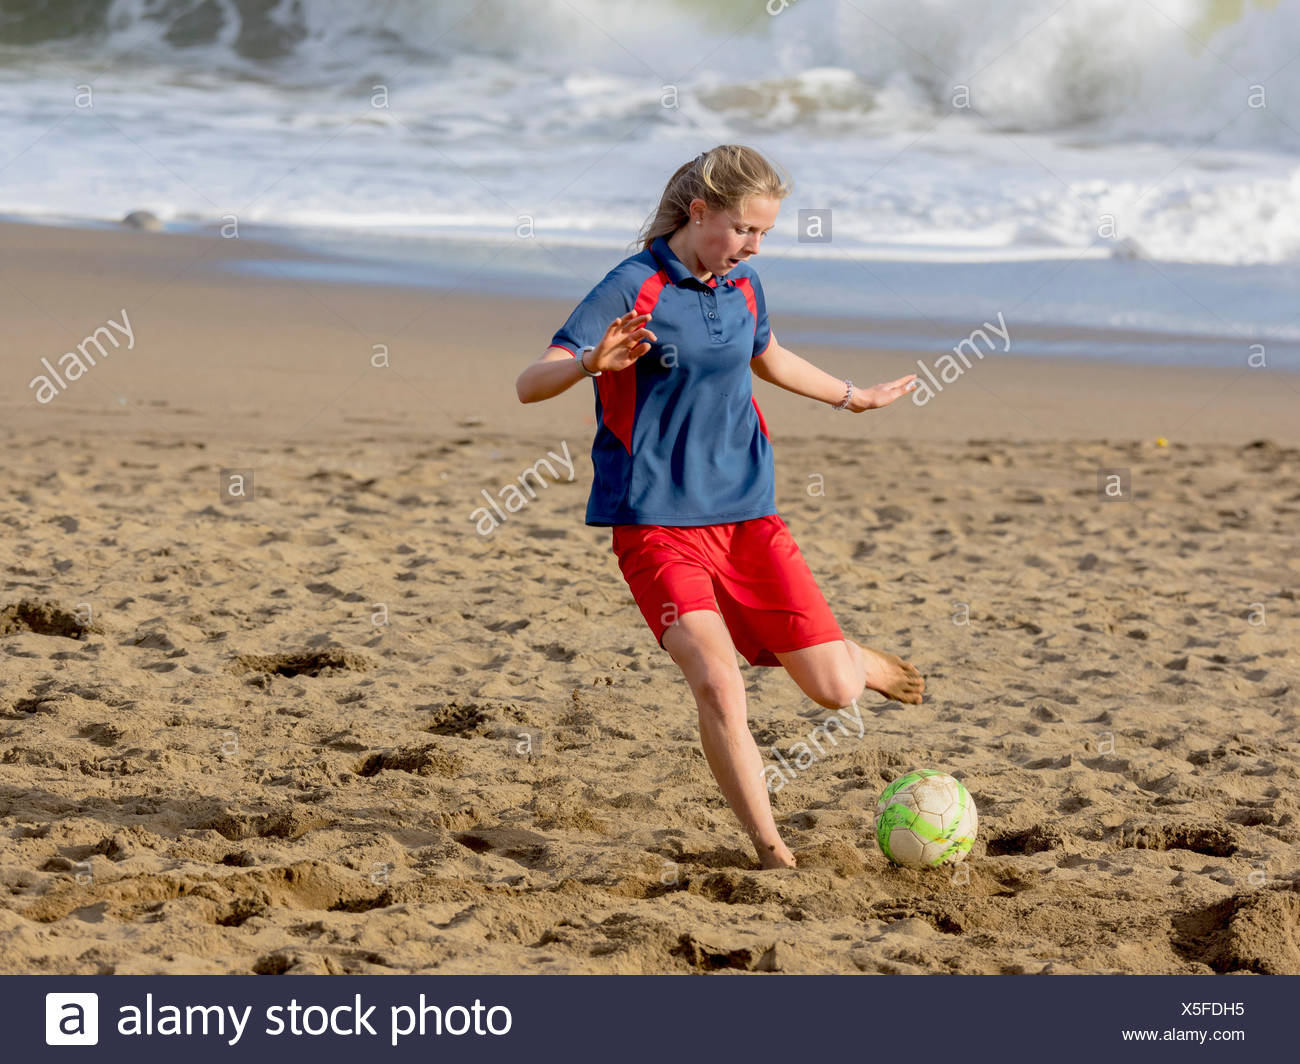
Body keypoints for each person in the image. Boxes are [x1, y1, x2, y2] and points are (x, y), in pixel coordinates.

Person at [515, 144, 923, 870]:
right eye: (743, 230)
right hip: (655, 525)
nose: (753, 247)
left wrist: (852, 396)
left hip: (747, 517)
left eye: (763, 234)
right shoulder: (631, 287)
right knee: (716, 678)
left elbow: (768, 357)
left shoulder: (746, 286)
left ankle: (852, 658)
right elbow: (530, 381)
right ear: (699, 212)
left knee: (833, 691)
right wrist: (588, 364)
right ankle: (772, 850)